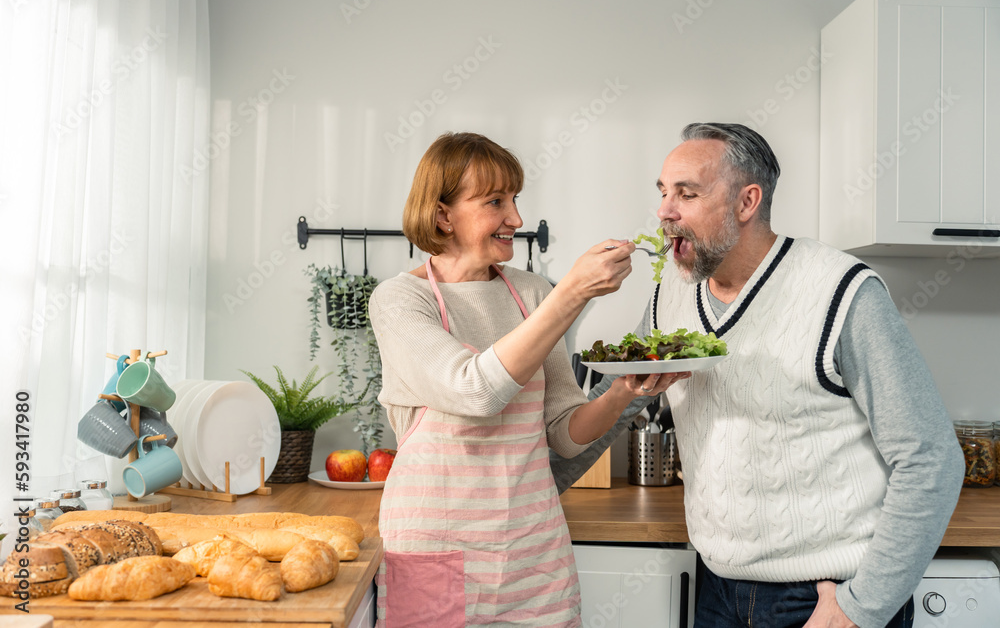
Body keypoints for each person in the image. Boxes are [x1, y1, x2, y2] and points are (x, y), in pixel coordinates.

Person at [550, 123, 965, 628]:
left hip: (824, 597)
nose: (664, 211)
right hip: (717, 589)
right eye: (663, 192)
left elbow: (930, 461)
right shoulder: (671, 296)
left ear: (747, 202)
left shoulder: (842, 292)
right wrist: (538, 492)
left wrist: (862, 609)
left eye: (688, 193)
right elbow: (622, 401)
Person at [369, 132, 689, 628]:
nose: (516, 219)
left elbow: (564, 432)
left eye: (515, 200)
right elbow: (475, 392)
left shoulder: (531, 291)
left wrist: (628, 388)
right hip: (435, 549)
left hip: (532, 551)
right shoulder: (400, 301)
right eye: (496, 201)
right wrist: (574, 294)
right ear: (442, 215)